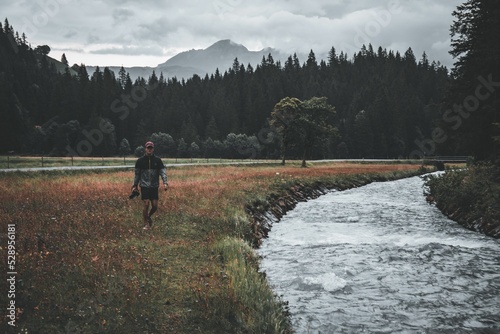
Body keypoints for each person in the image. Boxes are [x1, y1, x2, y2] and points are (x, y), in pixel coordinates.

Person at [132, 141, 168, 230]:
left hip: (154, 186)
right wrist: (134, 185)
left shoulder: (158, 160)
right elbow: (137, 175)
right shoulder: (140, 161)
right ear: (145, 149)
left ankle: (148, 216)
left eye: (151, 148)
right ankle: (145, 224)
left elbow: (162, 172)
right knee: (146, 203)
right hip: (144, 186)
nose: (149, 149)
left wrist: (165, 182)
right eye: (148, 148)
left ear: (153, 149)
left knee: (155, 206)